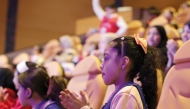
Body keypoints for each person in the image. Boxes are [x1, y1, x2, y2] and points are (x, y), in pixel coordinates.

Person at [60, 35, 162, 109]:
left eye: (106, 58)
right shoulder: (118, 93)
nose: (101, 65)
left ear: (123, 63)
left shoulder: (127, 94)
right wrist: (87, 106)